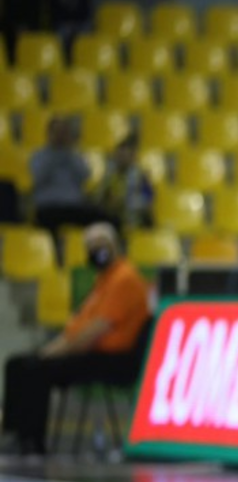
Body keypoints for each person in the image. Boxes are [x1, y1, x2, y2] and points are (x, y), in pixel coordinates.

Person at [1, 222, 150, 456]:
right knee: (18, 364)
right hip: (90, 352)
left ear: (115, 245)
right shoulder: (102, 281)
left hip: (113, 359)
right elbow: (78, 328)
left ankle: (32, 441)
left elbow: (94, 332)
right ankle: (15, 434)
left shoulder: (124, 279)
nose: (97, 251)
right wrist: (49, 350)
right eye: (91, 247)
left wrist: (56, 353)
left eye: (102, 245)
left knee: (37, 370)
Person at [29, 115, 102, 240]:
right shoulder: (39, 156)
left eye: (64, 132)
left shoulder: (75, 155)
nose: (60, 136)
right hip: (48, 207)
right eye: (57, 132)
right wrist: (53, 155)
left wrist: (70, 153)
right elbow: (38, 178)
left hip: (73, 207)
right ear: (49, 134)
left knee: (106, 220)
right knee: (46, 225)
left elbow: (85, 176)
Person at [90, 132, 154, 230]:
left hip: (133, 221)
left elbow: (148, 201)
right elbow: (97, 198)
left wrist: (125, 202)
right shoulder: (109, 176)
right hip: (111, 220)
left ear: (132, 157)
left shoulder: (141, 177)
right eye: (119, 155)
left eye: (124, 155)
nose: (121, 158)